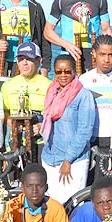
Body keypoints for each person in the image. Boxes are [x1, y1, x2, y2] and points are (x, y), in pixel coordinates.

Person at [44, 0, 112, 72]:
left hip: (93, 55)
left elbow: (106, 30)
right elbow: (47, 31)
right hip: (68, 53)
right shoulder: (61, 0)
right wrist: (66, 44)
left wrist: (109, 56)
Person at [40, 55, 95, 204]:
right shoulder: (52, 92)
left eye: (67, 71)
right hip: (49, 157)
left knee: (72, 206)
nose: (63, 75)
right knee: (51, 206)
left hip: (73, 161)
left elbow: (84, 131)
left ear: (74, 72)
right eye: (59, 72)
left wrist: (68, 160)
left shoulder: (84, 96)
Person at [79, 35, 112, 157]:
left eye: (111, 55)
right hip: (91, 139)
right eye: (102, 54)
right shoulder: (83, 81)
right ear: (93, 53)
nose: (107, 60)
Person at [0, 41, 51, 158]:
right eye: (21, 59)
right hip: (15, 143)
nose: (25, 63)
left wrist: (42, 126)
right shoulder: (7, 85)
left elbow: (58, 116)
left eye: (29, 59)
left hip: (41, 144)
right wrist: (10, 122)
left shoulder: (50, 86)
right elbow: (4, 111)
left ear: (39, 61)